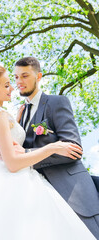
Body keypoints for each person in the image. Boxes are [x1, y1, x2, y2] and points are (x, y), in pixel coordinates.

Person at [0, 64, 95, 239]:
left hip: (1, 180)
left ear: (39, 76)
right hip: (18, 181)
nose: (13, 86)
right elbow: (12, 162)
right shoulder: (1, 115)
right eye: (6, 85)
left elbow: (2, 150)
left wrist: (17, 124)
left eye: (21, 77)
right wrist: (53, 146)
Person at [10, 56, 99, 238]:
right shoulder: (20, 113)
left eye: (25, 75)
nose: (19, 81)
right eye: (16, 77)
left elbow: (74, 149)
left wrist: (27, 155)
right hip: (38, 199)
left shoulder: (57, 102)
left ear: (39, 76)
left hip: (72, 192)